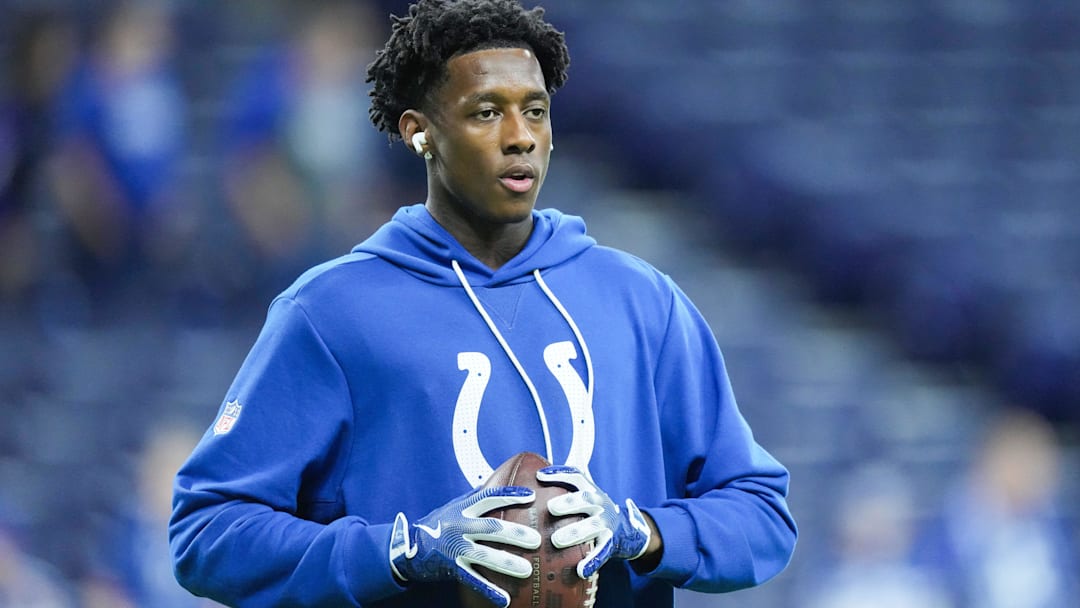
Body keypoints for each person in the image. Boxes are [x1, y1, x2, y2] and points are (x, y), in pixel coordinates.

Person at [169, 1, 797, 606]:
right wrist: (403, 551)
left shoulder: (642, 301)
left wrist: (642, 532)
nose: (520, 137)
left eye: (536, 111)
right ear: (419, 133)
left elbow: (762, 516)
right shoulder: (330, 313)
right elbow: (208, 533)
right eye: (486, 112)